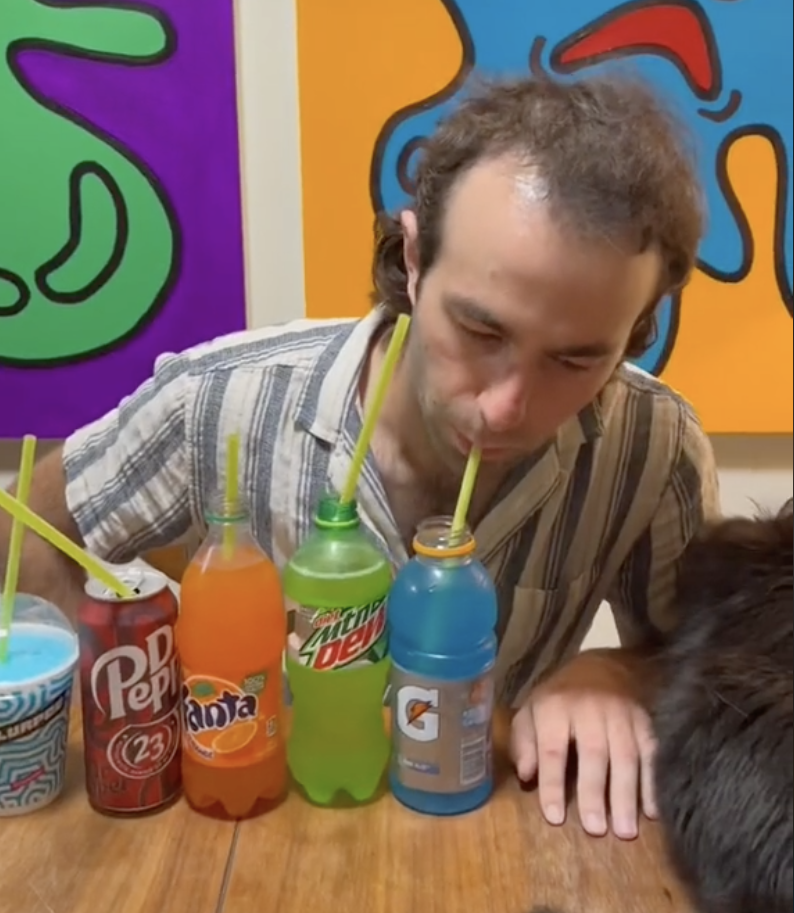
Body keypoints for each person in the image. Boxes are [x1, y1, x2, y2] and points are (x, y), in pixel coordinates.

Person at [0, 73, 720, 841]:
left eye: (576, 360)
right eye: (480, 332)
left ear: (637, 327)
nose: (507, 407)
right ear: (413, 259)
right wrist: (118, 704)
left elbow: (715, 661)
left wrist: (614, 671)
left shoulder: (654, 448)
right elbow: (30, 531)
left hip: (498, 837)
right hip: (257, 835)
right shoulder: (222, 401)